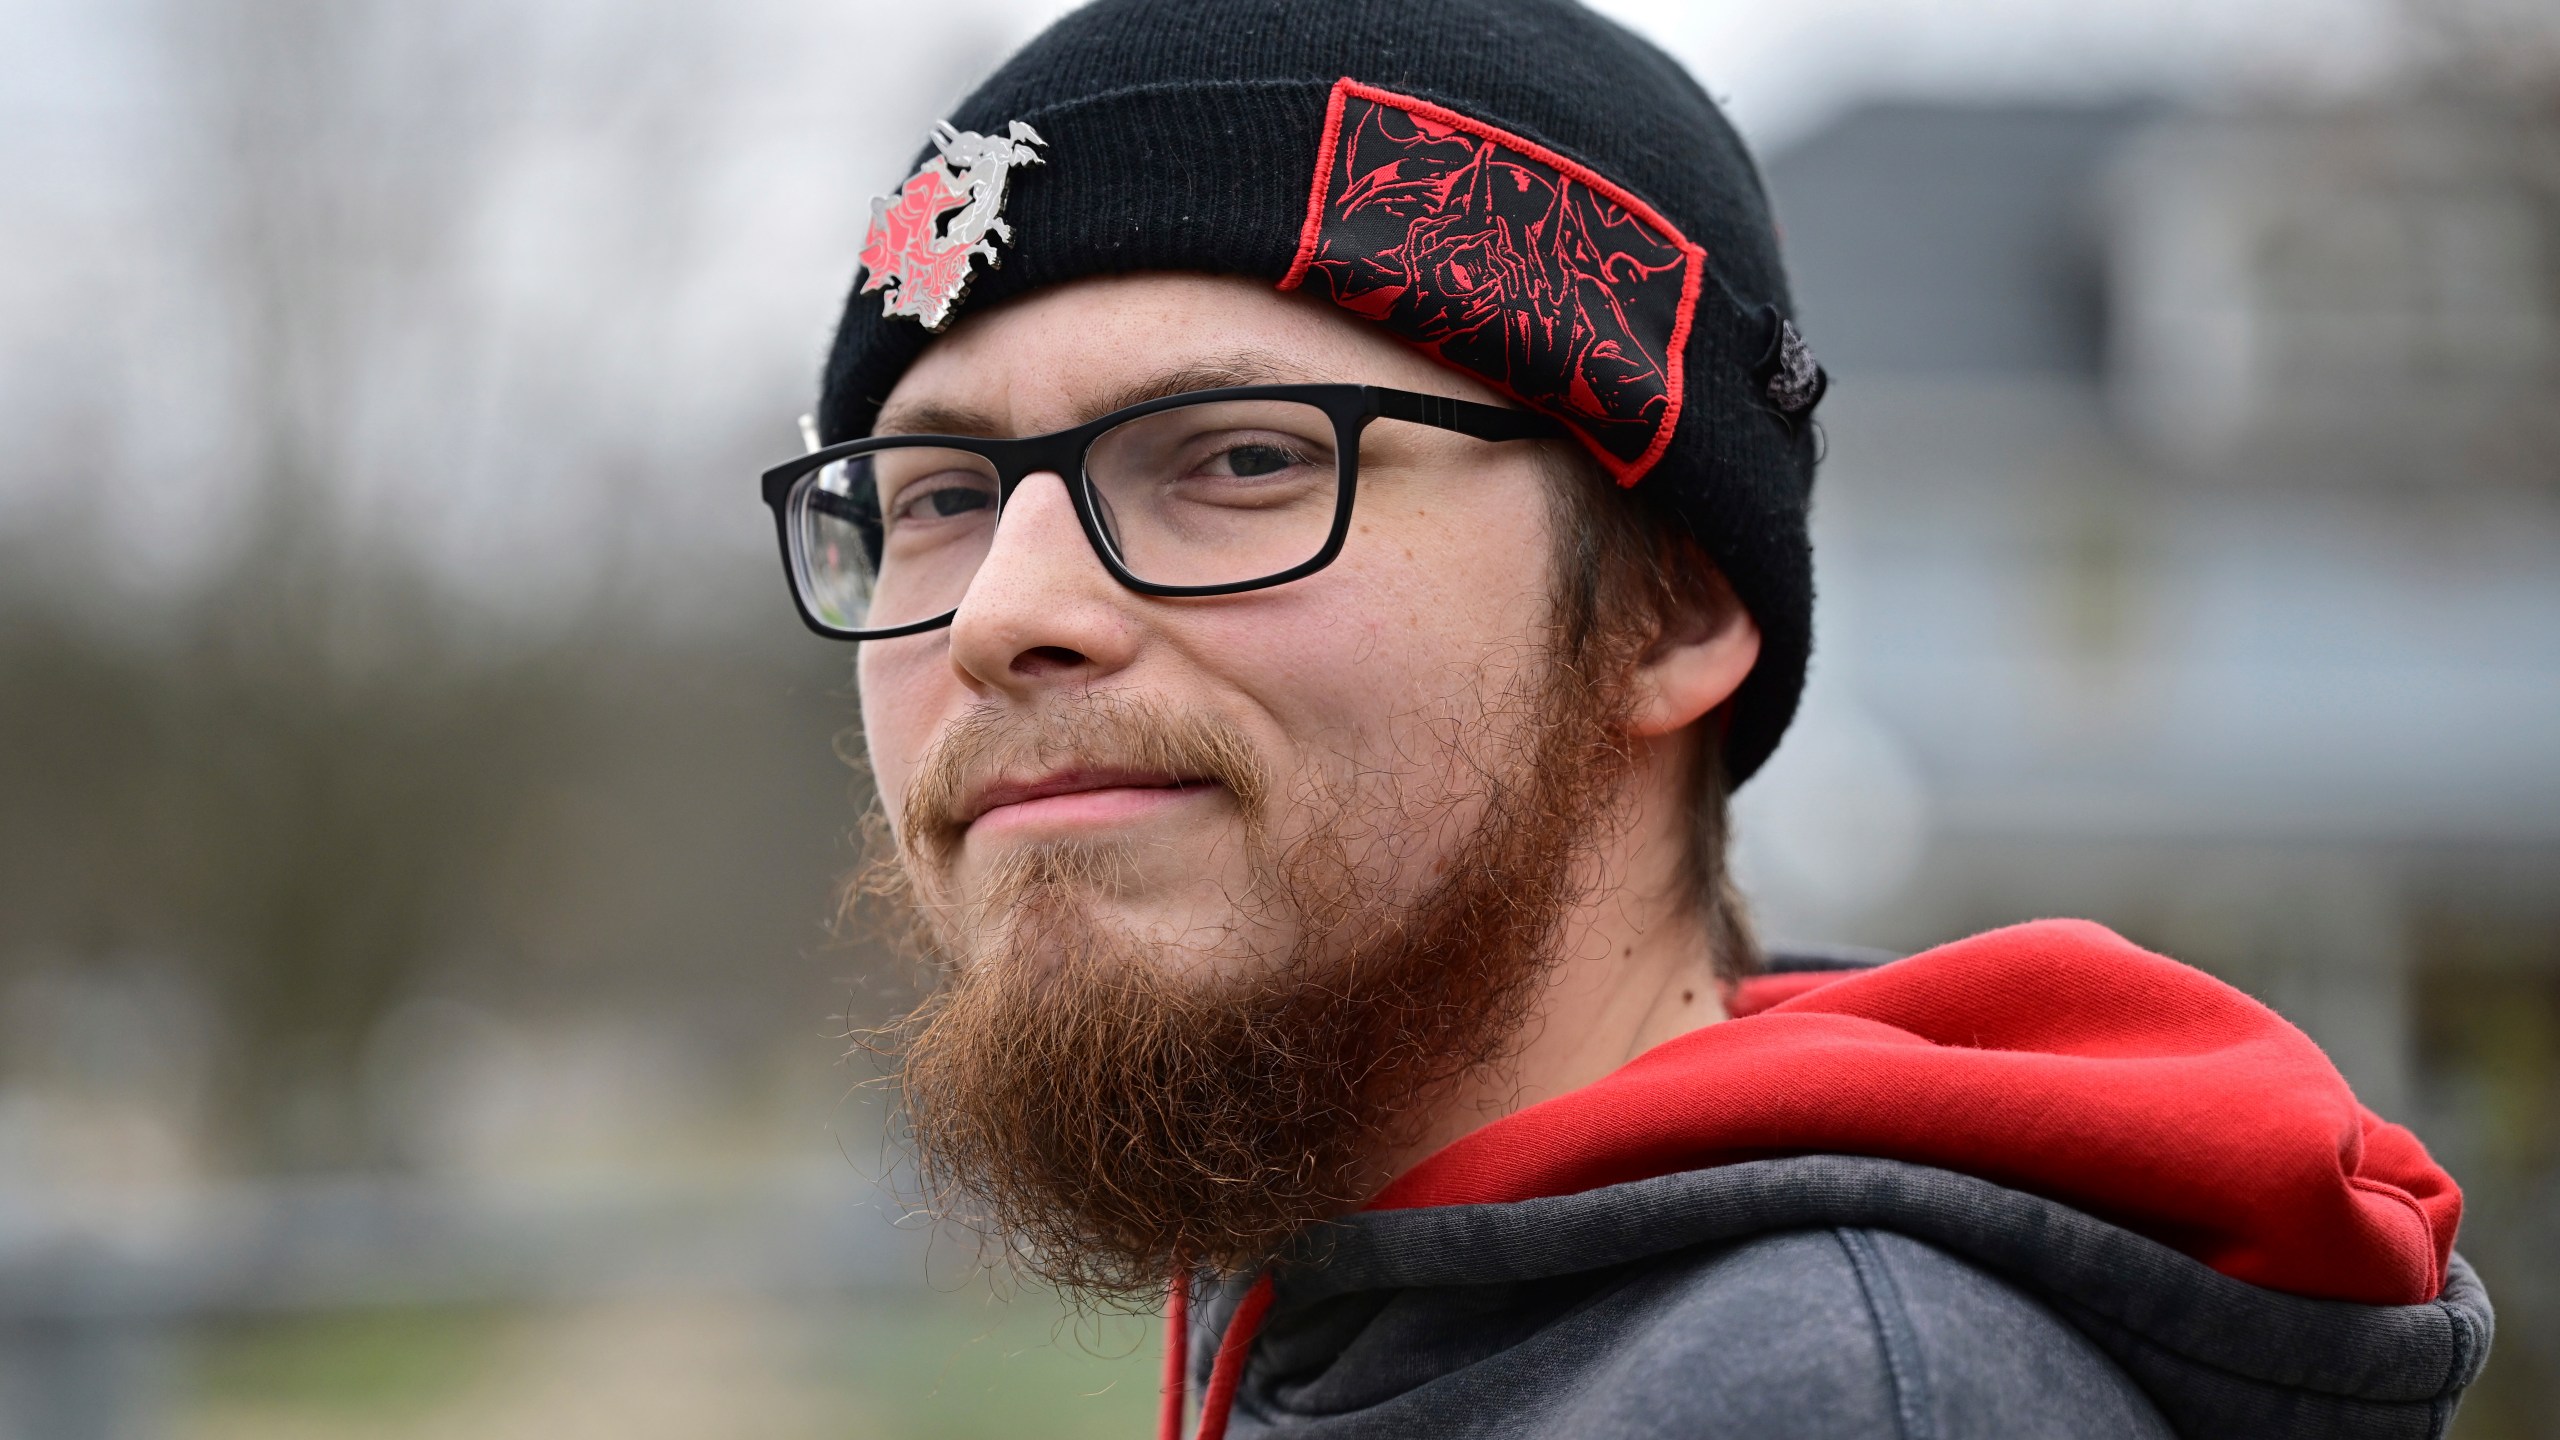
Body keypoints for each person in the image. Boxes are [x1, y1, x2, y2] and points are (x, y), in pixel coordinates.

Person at [757, 1, 2493, 1434]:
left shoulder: (1826, 1400)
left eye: (1243, 458)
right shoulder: (1385, 1313)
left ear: (1671, 606)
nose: (1002, 615)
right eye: (934, 499)